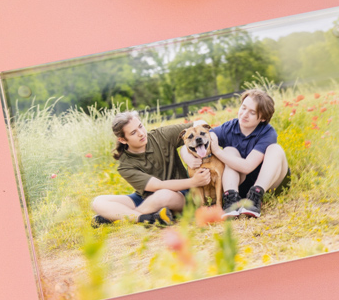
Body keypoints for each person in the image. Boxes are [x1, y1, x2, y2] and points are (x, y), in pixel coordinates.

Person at [90, 111, 210, 226]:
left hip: (180, 195)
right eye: (133, 133)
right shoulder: (125, 165)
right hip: (146, 198)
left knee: (163, 195)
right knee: (98, 202)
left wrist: (187, 155)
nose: (141, 133)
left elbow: (200, 124)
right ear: (122, 140)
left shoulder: (161, 135)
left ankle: (119, 217)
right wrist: (193, 181)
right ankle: (145, 218)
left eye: (140, 126)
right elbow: (158, 185)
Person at [210, 89, 290, 219]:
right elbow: (208, 135)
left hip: (268, 183)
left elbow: (247, 166)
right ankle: (231, 199)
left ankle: (255, 198)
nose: (244, 114)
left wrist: (217, 151)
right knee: (229, 150)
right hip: (240, 185)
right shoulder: (229, 127)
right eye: (243, 108)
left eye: (252, 112)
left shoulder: (267, 132)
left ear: (263, 117)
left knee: (275, 149)